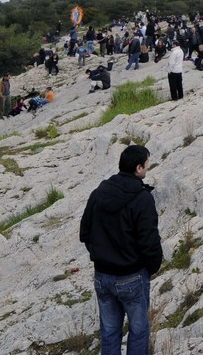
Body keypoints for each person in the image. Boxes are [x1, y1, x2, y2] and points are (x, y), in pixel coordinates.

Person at [80, 144, 163, 355]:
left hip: (102, 276)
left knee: (108, 332)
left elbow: (85, 233)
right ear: (138, 169)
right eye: (147, 164)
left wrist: (100, 256)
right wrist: (151, 267)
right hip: (131, 276)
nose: (148, 167)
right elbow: (149, 241)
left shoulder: (99, 192)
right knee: (138, 331)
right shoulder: (142, 198)